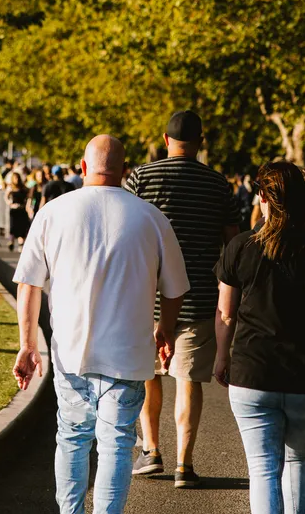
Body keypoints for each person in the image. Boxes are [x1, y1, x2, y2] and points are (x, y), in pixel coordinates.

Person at [13, 135, 189, 514]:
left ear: (82, 167)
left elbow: (28, 284)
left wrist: (28, 343)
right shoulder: (151, 217)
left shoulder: (53, 212)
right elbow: (176, 288)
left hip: (71, 352)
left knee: (72, 438)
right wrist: (165, 328)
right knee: (117, 443)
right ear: (126, 172)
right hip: (128, 355)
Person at [214, 161, 305, 514]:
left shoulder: (241, 247)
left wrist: (222, 358)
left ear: (262, 197)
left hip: (252, 373)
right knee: (298, 461)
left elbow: (226, 313)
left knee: (262, 469)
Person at [125, 110, 239, 488]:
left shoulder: (140, 177)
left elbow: (125, 231)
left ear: (164, 138)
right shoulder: (218, 185)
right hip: (198, 297)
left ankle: (152, 451)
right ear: (200, 142)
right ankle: (183, 466)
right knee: (188, 380)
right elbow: (233, 242)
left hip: (148, 297)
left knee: (148, 374)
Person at [5, 171, 31, 252]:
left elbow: (29, 196)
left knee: (22, 228)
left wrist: (27, 205)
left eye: (17, 178)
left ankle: (21, 245)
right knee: (13, 227)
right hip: (14, 210)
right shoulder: (11, 188)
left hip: (22, 209)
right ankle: (11, 242)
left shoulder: (23, 188)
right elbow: (6, 196)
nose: (16, 179)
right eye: (15, 178)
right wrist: (9, 203)